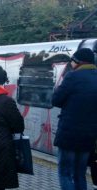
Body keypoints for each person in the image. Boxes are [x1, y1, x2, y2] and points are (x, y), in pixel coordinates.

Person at [52, 48, 97, 190]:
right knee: (80, 174)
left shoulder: (72, 77)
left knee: (65, 173)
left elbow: (56, 100)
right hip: (89, 136)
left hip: (69, 135)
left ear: (77, 61)